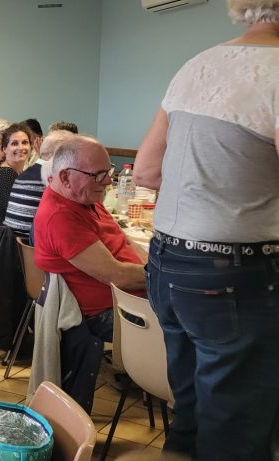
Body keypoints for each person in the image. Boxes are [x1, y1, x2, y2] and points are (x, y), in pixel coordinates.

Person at [132, 2, 279, 458]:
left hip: (168, 266)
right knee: (234, 431)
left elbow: (147, 171)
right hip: (235, 274)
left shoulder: (197, 64)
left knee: (192, 414)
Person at [33, 135, 146, 340]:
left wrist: (156, 268)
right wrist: (166, 279)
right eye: (98, 174)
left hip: (134, 297)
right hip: (108, 312)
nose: (108, 180)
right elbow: (117, 276)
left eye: (109, 170)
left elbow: (126, 241)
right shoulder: (60, 216)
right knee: (200, 324)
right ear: (65, 177)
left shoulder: (85, 197)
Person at [4, 130, 73, 242]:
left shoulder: (23, 175)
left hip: (10, 244)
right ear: (58, 154)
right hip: (31, 248)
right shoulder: (53, 179)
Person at [0, 123, 32, 226]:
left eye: (25, 142)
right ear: (4, 148)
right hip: (2, 238)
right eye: (14, 143)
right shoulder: (6, 174)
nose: (21, 147)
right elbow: (19, 213)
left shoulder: (16, 171)